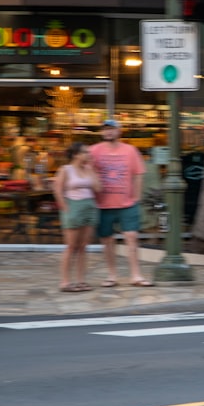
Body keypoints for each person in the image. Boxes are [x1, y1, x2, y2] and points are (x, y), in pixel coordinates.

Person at [89, 119, 154, 287]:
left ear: (119, 131)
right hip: (103, 204)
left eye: (112, 129)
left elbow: (139, 174)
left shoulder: (130, 150)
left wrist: (137, 198)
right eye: (105, 129)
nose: (108, 132)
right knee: (107, 240)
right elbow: (84, 170)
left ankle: (136, 275)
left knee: (131, 237)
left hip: (127, 203)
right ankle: (112, 275)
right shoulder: (94, 151)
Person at [53, 142, 101, 292]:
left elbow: (99, 188)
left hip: (89, 207)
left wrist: (92, 170)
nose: (88, 155)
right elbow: (58, 191)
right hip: (73, 206)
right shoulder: (66, 170)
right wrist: (66, 209)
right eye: (85, 152)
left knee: (83, 247)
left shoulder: (88, 169)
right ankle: (65, 282)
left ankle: (81, 281)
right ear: (76, 155)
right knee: (71, 246)